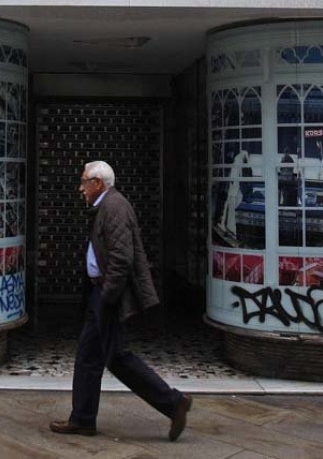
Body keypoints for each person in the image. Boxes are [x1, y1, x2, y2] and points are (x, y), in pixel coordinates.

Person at [49, 161, 192, 442]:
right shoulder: (106, 206)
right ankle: (83, 419)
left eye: (84, 181)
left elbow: (122, 259)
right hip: (100, 293)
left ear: (98, 183)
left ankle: (173, 402)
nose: (81, 188)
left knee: (116, 357)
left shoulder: (114, 207)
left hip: (107, 294)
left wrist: (107, 296)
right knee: (89, 357)